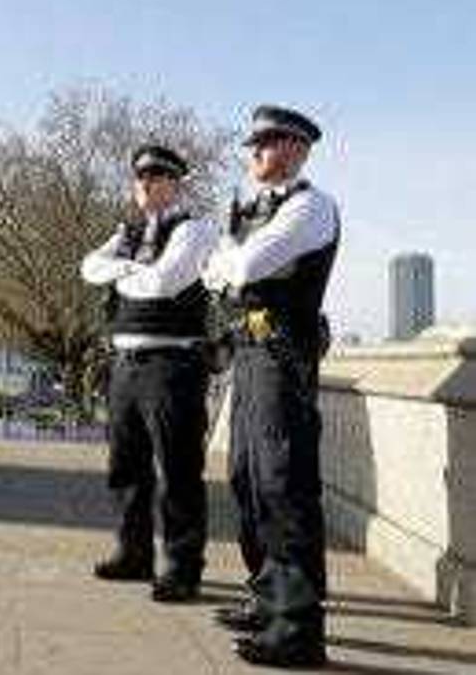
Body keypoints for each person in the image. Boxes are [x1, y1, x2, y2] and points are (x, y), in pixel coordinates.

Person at [203, 105, 340, 668]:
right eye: (253, 144)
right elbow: (213, 270)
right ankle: (267, 597)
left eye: (267, 142)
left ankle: (299, 625)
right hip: (251, 351)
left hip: (284, 352)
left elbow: (242, 267)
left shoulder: (309, 206)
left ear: (298, 148)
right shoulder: (253, 209)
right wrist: (230, 264)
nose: (255, 152)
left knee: (285, 484)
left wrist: (232, 264)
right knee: (248, 481)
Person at [80, 144, 218, 603]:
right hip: (125, 365)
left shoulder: (194, 229)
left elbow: (165, 282)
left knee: (178, 469)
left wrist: (121, 273)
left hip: (171, 364)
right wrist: (130, 267)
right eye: (140, 177)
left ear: (176, 183)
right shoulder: (129, 231)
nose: (146, 183)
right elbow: (88, 268)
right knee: (126, 468)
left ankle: (181, 566)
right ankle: (134, 554)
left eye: (157, 176)